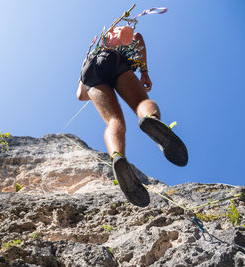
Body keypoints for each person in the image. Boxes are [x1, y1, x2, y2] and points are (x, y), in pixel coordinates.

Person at [77, 31, 187, 207]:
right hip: (114, 60)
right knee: (141, 102)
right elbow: (137, 36)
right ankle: (150, 119)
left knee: (113, 121)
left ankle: (117, 156)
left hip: (89, 74)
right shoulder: (111, 40)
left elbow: (80, 95)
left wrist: (92, 79)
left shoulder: (87, 59)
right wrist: (144, 71)